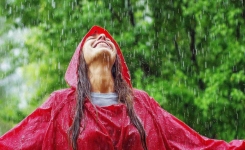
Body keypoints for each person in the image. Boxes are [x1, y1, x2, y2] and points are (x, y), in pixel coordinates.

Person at [0, 25, 244, 150]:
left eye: (107, 38)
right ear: (79, 59)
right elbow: (14, 143)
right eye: (92, 39)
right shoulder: (60, 105)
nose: (102, 38)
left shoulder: (142, 104)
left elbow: (193, 145)